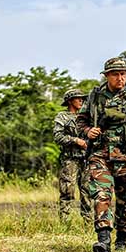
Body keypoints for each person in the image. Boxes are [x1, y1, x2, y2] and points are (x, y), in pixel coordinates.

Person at [76, 57, 126, 252]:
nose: (120, 78)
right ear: (107, 76)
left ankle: (122, 238)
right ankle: (103, 239)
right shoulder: (95, 97)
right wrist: (88, 131)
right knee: (101, 194)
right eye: (115, 74)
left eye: (123, 74)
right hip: (100, 155)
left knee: (125, 200)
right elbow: (80, 122)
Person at [53, 88, 92, 224]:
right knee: (67, 191)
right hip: (70, 159)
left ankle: (88, 223)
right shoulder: (62, 117)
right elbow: (57, 136)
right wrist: (76, 140)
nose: (81, 100)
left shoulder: (87, 117)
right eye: (78, 98)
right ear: (70, 101)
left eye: (82, 98)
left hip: (86, 159)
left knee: (87, 191)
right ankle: (65, 223)